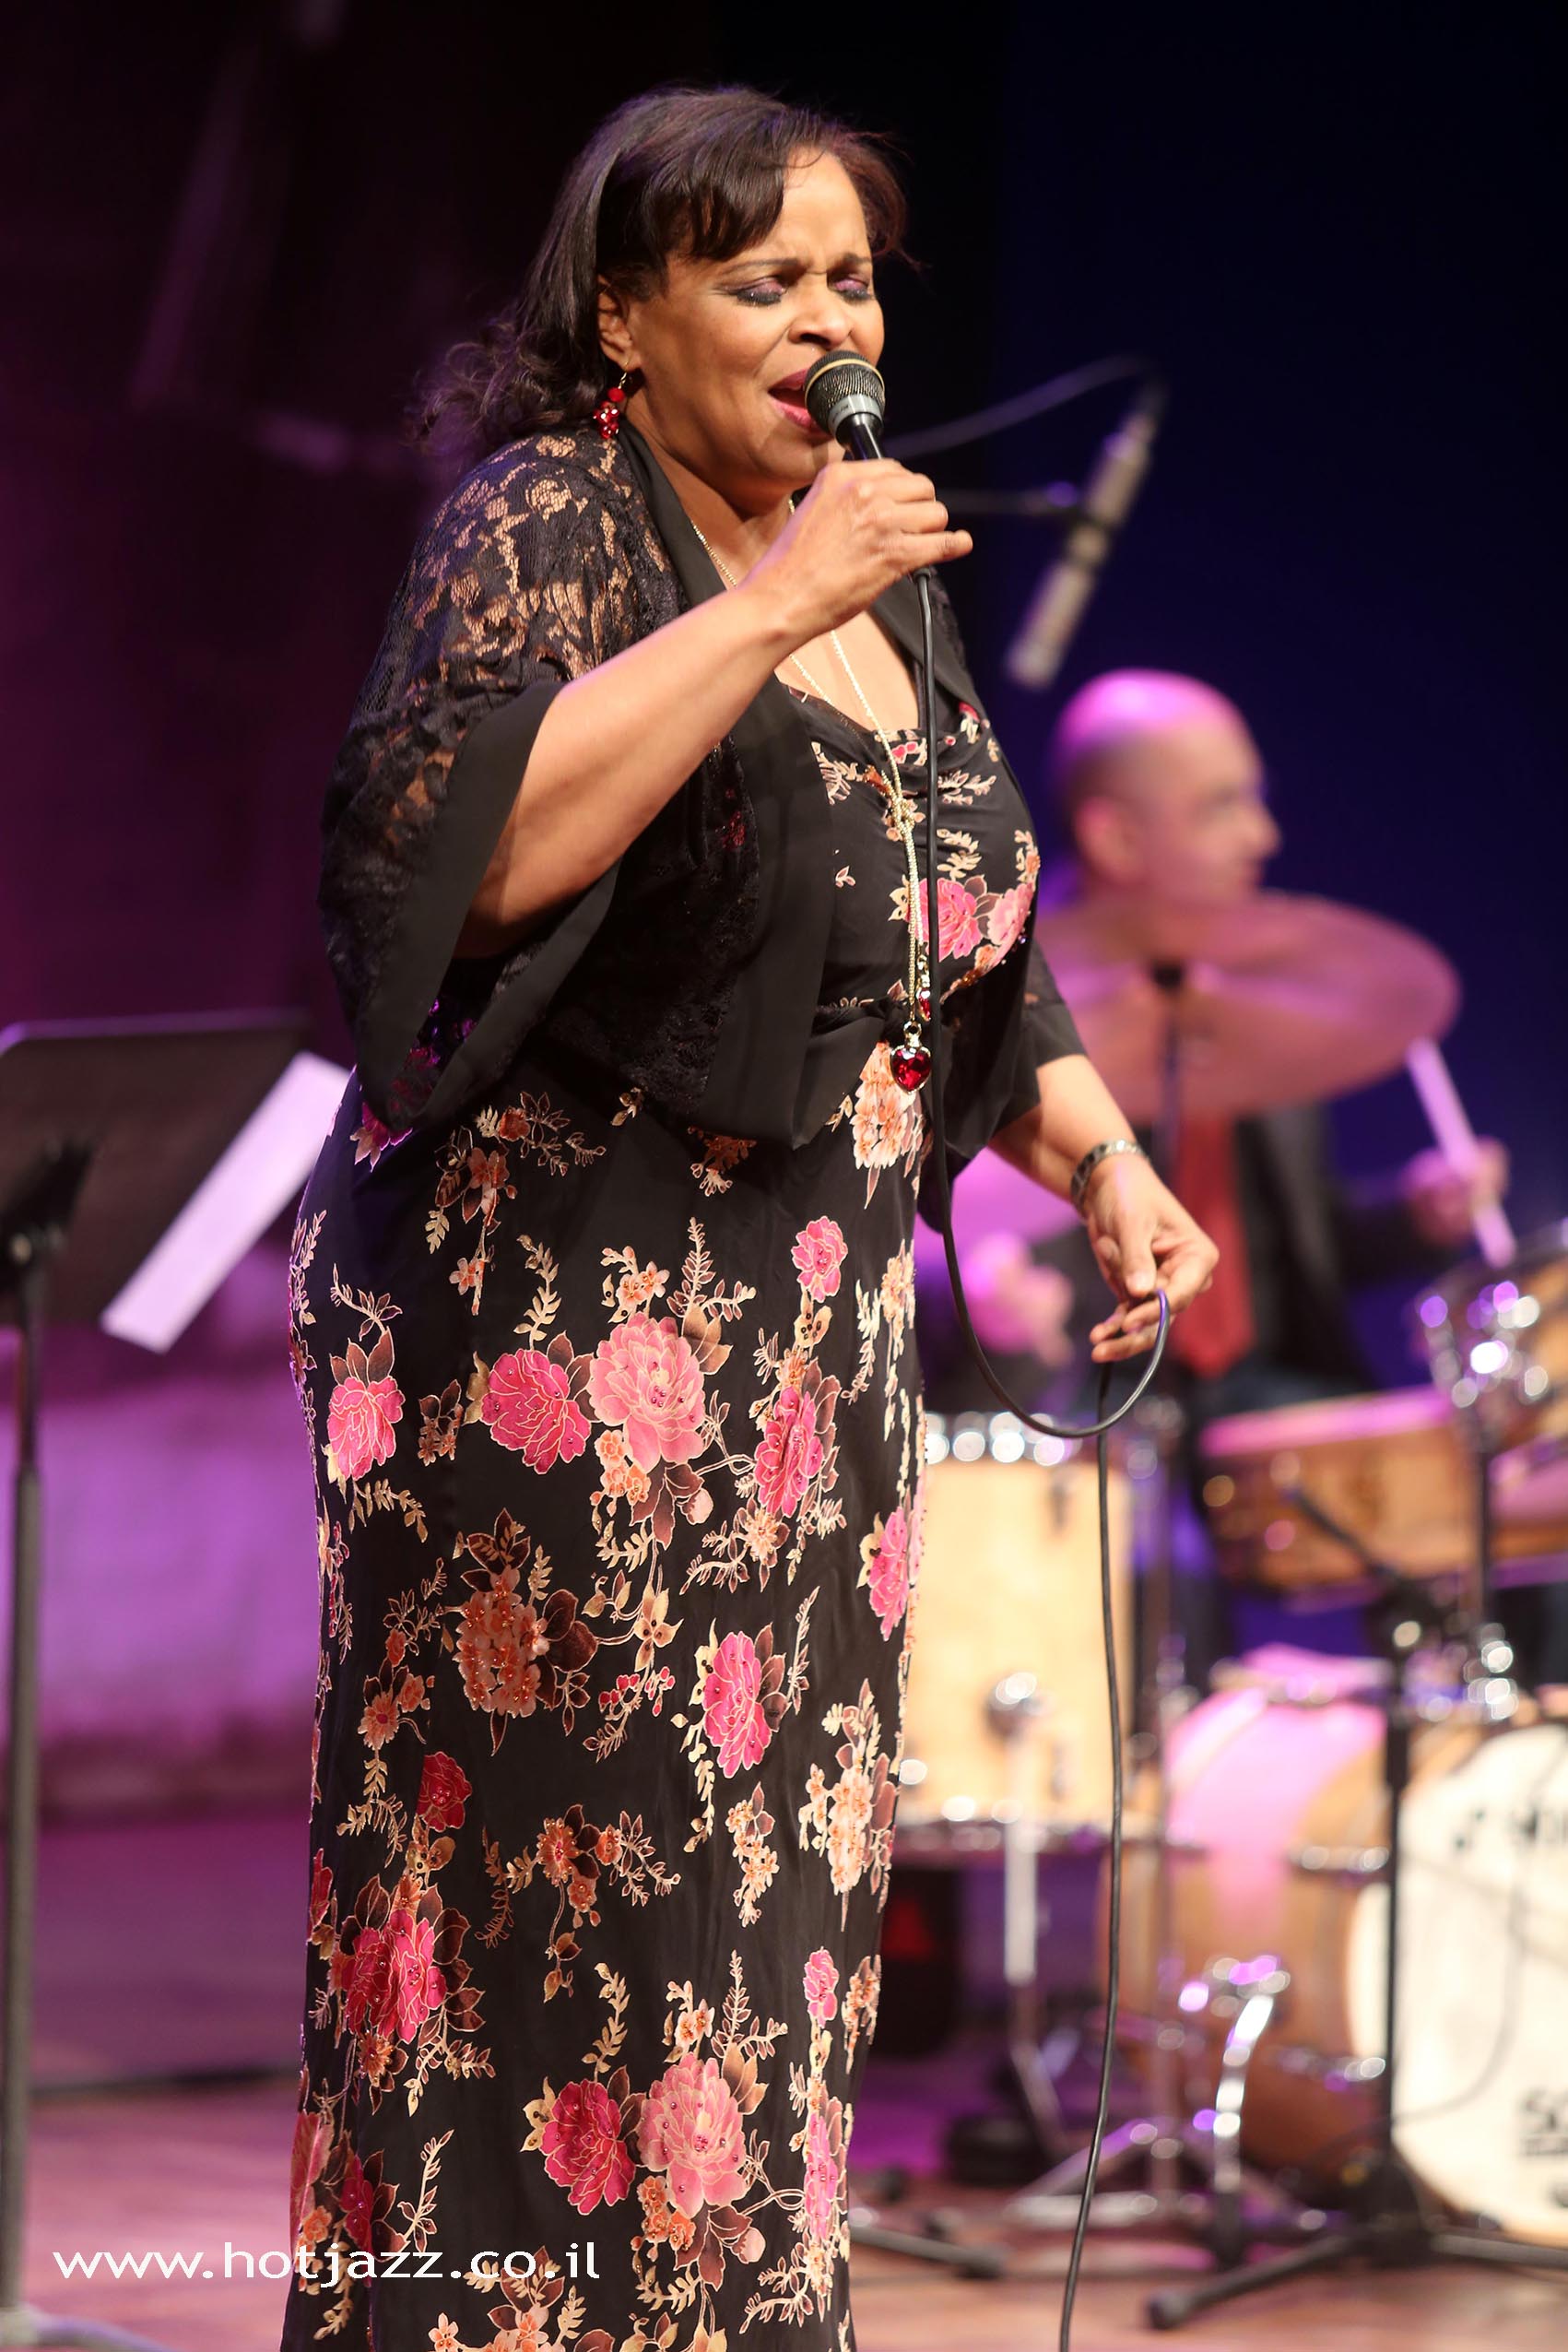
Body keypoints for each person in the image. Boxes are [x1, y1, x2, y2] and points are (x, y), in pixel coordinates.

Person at [280, 91, 1215, 2352]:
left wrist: (1102, 1158)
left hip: (805, 1383)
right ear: (626, 313)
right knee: (560, 1933)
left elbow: (961, 938)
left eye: (850, 280)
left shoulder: (885, 584)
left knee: (757, 1947)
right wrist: (783, 599)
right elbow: (465, 861)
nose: (824, 323)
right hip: (557, 1363)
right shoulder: (554, 522)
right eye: (760, 279)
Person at [918, 667, 1508, 1668]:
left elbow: (1287, 1245)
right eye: (1221, 806)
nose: (1262, 836)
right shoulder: (1001, 994)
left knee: (1488, 1503)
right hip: (1090, 1387)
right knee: (1159, 1575)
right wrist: (968, 1297)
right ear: (1116, 838)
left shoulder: (1257, 997)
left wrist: (1414, 1219)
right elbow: (932, 1232)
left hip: (1254, 1386)